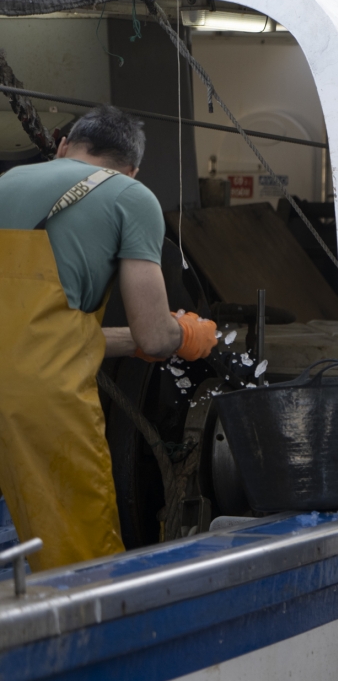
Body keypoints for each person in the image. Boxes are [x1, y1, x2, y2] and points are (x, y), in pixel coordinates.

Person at [0, 105, 218, 573]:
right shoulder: (131, 197)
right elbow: (156, 335)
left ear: (63, 147)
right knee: (80, 563)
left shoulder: (7, 183)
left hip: (19, 382)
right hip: (41, 408)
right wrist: (188, 335)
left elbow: (37, 329)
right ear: (132, 169)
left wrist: (131, 341)